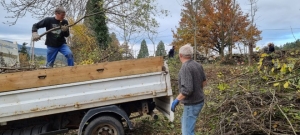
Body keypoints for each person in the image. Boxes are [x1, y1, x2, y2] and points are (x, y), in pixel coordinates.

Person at [171, 44, 207, 135]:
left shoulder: (185, 67)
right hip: (199, 101)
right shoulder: (197, 65)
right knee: (185, 123)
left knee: (187, 132)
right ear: (190, 55)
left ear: (180, 55)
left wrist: (177, 100)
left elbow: (187, 90)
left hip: (192, 104)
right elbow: (204, 82)